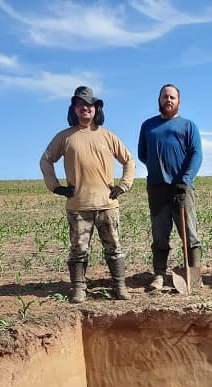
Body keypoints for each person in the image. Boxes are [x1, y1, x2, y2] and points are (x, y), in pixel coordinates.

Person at [40, 85, 136, 303]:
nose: (85, 108)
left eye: (89, 105)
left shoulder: (108, 136)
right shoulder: (65, 137)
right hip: (78, 206)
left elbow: (129, 160)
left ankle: (120, 286)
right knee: (78, 250)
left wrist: (123, 185)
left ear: (96, 109)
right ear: (74, 109)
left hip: (107, 205)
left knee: (114, 248)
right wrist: (55, 186)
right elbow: (46, 160)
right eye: (80, 104)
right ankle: (79, 289)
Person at [138, 83, 203, 291]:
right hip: (157, 187)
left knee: (189, 233)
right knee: (159, 233)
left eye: (172, 97)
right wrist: (158, 168)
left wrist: (185, 179)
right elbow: (142, 153)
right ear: (159, 100)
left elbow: (196, 154)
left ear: (178, 102)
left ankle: (193, 273)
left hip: (182, 188)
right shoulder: (148, 126)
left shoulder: (188, 126)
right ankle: (159, 274)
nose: (168, 100)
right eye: (165, 97)